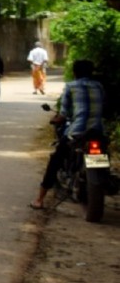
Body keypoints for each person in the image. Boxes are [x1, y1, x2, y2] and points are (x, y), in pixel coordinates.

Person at [32, 59, 106, 209]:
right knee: (103, 155)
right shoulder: (98, 86)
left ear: (74, 72)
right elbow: (103, 106)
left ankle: (40, 199)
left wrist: (56, 119)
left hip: (77, 132)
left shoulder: (71, 87)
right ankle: (104, 178)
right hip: (97, 131)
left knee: (56, 160)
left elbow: (64, 114)